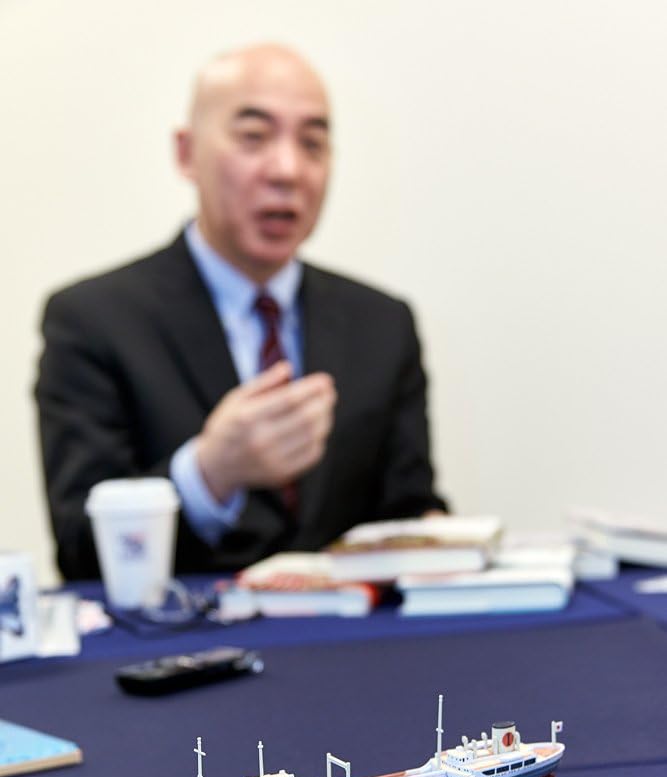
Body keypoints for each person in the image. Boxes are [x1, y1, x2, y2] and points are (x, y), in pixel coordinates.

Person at [36, 44, 446, 580]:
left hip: (350, 627)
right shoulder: (94, 320)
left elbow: (408, 510)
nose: (288, 170)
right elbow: (79, 548)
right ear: (187, 154)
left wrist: (442, 542)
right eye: (254, 137)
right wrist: (209, 473)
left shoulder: (383, 324)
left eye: (312, 144)